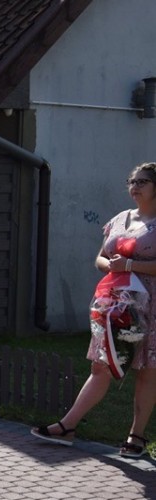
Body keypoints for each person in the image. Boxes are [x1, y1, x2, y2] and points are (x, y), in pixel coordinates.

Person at [31, 162, 156, 457]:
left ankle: (136, 436)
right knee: (102, 364)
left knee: (148, 370)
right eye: (132, 181)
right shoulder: (120, 219)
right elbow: (101, 258)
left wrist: (130, 265)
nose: (135, 186)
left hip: (152, 305)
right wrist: (112, 267)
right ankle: (67, 426)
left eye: (143, 181)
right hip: (116, 304)